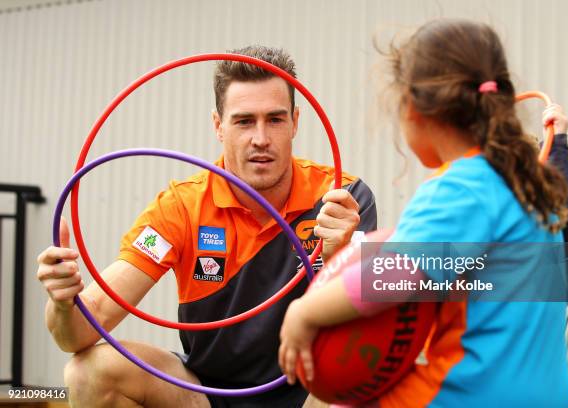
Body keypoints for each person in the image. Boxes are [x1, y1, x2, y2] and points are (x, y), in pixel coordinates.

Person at [36, 45, 377, 408]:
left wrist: (343, 256)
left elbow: (378, 316)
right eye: (244, 121)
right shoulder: (182, 207)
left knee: (356, 370)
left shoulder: (341, 198)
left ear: (295, 121)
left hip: (312, 391)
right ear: (218, 126)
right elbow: (81, 330)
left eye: (275, 120)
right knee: (87, 371)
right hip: (208, 394)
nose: (260, 138)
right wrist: (63, 301)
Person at [279, 19, 568, 407]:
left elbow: (396, 275)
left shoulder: (460, 187)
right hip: (548, 395)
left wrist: (304, 312)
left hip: (473, 395)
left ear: (416, 109)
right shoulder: (527, 184)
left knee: (338, 402)